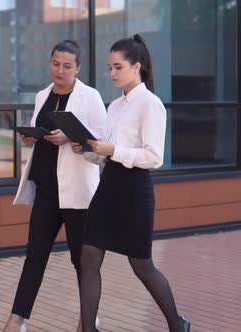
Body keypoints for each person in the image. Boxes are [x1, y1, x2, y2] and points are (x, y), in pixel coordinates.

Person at [72, 35, 190, 332]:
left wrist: (112, 150)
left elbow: (153, 157)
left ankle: (177, 325)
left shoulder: (151, 104)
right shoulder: (115, 106)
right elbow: (109, 155)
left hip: (135, 191)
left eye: (117, 67)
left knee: (141, 266)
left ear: (136, 66)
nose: (111, 74)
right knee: (88, 258)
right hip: (108, 186)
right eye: (109, 67)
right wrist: (88, 150)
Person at [3, 40, 107, 332]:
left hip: (78, 194)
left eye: (67, 65)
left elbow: (101, 150)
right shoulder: (41, 96)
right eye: (55, 63)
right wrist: (32, 138)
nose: (60, 70)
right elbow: (42, 137)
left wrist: (73, 139)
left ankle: (89, 318)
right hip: (47, 190)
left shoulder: (90, 97)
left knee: (81, 261)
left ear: (78, 68)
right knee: (35, 255)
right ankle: (17, 319)